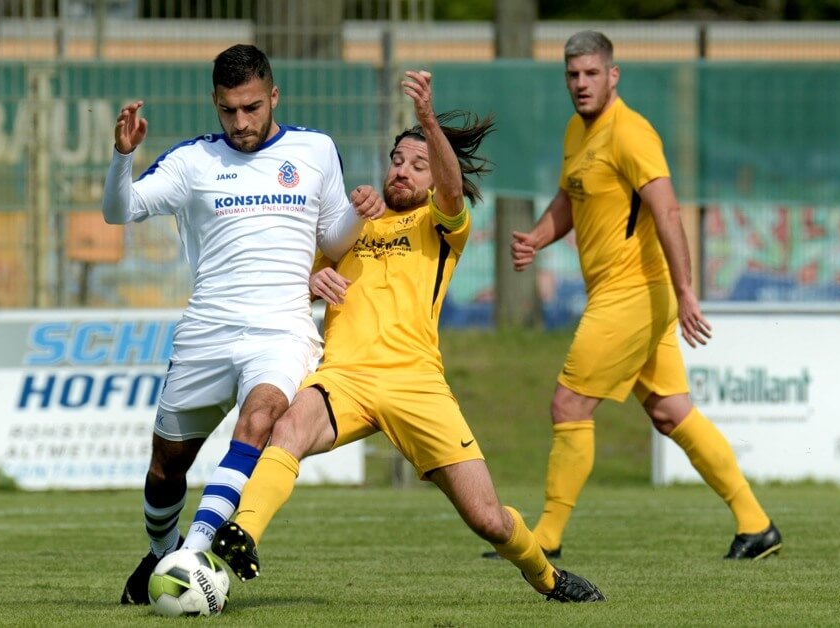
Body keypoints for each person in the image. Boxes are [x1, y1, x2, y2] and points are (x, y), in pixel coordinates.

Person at [208, 69, 606, 604]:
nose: (403, 171)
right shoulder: (350, 227)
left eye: (418, 165)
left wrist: (426, 122)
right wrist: (310, 278)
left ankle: (547, 576)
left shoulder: (441, 226)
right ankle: (244, 534)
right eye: (398, 160)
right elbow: (290, 284)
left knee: (488, 519)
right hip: (344, 378)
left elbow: (447, 186)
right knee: (288, 429)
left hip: (417, 386)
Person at [103, 43, 384, 605]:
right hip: (207, 330)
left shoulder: (315, 150)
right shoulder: (192, 161)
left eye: (252, 107)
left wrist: (360, 211)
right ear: (215, 102)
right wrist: (122, 159)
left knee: (259, 419)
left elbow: (332, 239)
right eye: (229, 110)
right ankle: (162, 556)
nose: (241, 122)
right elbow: (120, 211)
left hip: (282, 329)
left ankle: (195, 553)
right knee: (165, 469)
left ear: (273, 95)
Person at [506, 30, 781, 561]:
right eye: (573, 75)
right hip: (629, 295)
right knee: (671, 412)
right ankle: (756, 523)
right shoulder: (576, 131)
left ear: (614, 76)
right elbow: (570, 196)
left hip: (633, 293)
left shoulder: (630, 134)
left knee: (569, 403)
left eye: (591, 74)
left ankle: (546, 538)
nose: (581, 84)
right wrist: (537, 238)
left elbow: (669, 211)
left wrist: (686, 291)